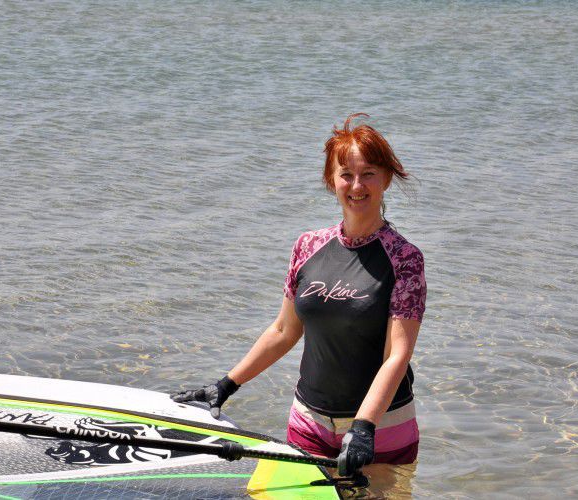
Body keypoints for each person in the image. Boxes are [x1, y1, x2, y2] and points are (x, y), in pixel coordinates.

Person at [172, 113, 426, 477]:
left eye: (369, 173)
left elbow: (397, 355)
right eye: (346, 174)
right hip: (309, 423)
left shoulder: (405, 259)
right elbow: (283, 330)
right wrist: (226, 384)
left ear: (386, 179)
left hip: (381, 430)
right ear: (331, 180)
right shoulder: (307, 246)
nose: (357, 185)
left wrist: (364, 426)